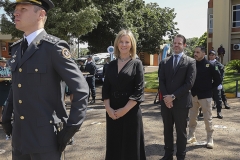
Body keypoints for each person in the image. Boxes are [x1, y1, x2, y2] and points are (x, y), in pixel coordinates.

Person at [1, 0, 89, 159]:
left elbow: (81, 89)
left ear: (41, 14)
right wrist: (6, 119)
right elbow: (16, 87)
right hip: (20, 138)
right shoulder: (16, 49)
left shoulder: (53, 48)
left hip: (46, 139)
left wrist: (70, 128)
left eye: (23, 9)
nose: (15, 13)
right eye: (15, 9)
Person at [102, 29, 146, 160]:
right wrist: (108, 109)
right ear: (117, 44)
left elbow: (139, 91)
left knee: (130, 148)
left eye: (127, 42)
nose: (124, 44)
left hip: (130, 111)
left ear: (131, 44)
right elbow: (105, 90)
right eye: (121, 41)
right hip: (112, 112)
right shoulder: (110, 65)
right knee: (114, 146)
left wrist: (124, 110)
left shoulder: (137, 64)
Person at [158, 34, 196, 160]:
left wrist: (173, 96)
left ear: (184, 45)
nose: (176, 45)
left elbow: (189, 83)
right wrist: (166, 98)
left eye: (179, 43)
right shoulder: (164, 62)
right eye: (174, 43)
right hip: (166, 103)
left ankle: (181, 156)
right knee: (167, 130)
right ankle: (168, 155)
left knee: (181, 132)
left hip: (181, 103)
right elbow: (161, 81)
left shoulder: (190, 62)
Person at [187, 46, 221, 149]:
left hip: (205, 96)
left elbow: (218, 79)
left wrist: (210, 88)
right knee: (192, 118)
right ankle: (191, 136)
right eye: (194, 52)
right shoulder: (192, 64)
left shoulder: (210, 65)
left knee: (207, 118)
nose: (195, 54)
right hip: (194, 95)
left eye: (197, 52)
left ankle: (210, 138)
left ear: (203, 53)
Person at [209, 50, 228, 119]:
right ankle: (202, 112)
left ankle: (219, 112)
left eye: (212, 55)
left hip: (216, 84)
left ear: (215, 56)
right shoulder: (206, 64)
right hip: (208, 84)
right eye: (210, 55)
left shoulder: (219, 65)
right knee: (204, 99)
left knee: (218, 98)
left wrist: (220, 83)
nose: (211, 56)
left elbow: (221, 75)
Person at [0, 57, 11, 124]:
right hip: (1, 88)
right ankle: (0, 118)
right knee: (1, 104)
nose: (4, 63)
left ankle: (5, 118)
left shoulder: (8, 69)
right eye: (2, 62)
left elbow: (11, 76)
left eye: (5, 62)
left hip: (8, 89)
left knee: (6, 104)